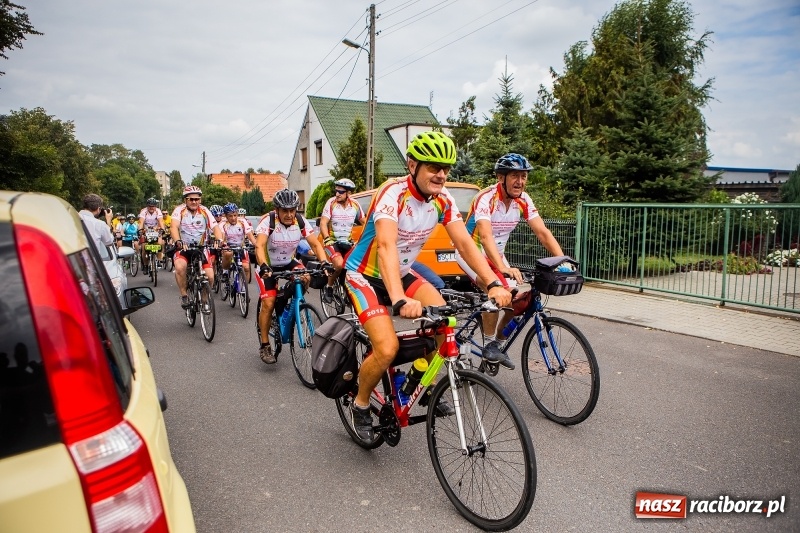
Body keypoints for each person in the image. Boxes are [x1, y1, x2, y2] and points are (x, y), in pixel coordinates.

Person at [344, 131, 512, 440]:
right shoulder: (393, 193)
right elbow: (385, 245)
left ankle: (426, 384)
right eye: (433, 166)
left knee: (444, 320)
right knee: (387, 347)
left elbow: (464, 243)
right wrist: (397, 298)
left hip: (403, 272)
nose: (441, 174)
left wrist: (492, 283)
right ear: (412, 165)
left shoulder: (443, 200)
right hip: (365, 275)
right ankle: (361, 403)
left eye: (446, 167)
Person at [455, 153, 564, 368]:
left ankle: (497, 343)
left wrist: (562, 262)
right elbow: (485, 237)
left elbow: (542, 232)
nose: (520, 181)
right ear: (500, 177)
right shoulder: (486, 198)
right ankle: (488, 348)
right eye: (515, 175)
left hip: (497, 255)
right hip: (473, 252)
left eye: (524, 176)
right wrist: (502, 268)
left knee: (518, 300)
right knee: (496, 291)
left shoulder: (523, 199)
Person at [254, 189, 327, 364]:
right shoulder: (269, 221)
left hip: (288, 261)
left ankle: (288, 306)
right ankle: (265, 345)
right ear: (277, 210)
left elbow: (315, 244)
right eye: (284, 210)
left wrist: (324, 262)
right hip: (268, 265)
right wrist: (264, 265)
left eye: (292, 210)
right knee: (269, 302)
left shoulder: (300, 221)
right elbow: (259, 245)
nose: (289, 214)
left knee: (306, 277)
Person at [171, 185, 224, 309]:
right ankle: (184, 296)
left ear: (200, 199)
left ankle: (204, 301)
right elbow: (174, 227)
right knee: (180, 267)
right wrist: (178, 240)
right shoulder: (179, 210)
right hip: (184, 247)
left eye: (197, 199)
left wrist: (219, 239)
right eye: (191, 199)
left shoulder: (205, 211)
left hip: (201, 248)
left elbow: (215, 228)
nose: (194, 202)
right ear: (186, 200)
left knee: (210, 276)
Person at [319, 178, 365, 303]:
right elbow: (323, 223)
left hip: (347, 242)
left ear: (348, 193)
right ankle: (329, 288)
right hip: (332, 242)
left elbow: (365, 223)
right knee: (338, 265)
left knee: (356, 267)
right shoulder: (331, 203)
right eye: (336, 191)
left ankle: (347, 290)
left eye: (341, 192)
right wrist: (326, 238)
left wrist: (362, 240)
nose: (337, 194)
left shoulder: (355, 205)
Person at [219, 202, 257, 283]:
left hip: (240, 246)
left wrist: (256, 245)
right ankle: (225, 272)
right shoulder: (223, 223)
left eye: (235, 215)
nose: (233, 218)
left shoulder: (242, 222)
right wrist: (222, 243)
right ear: (226, 216)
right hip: (228, 246)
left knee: (246, 268)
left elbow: (250, 236)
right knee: (228, 254)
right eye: (230, 216)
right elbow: (221, 237)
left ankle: (244, 289)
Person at [137, 197, 167, 271]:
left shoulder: (158, 211)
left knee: (160, 243)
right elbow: (141, 222)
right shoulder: (143, 211)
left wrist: (162, 229)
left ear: (155, 206)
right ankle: (146, 265)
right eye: (150, 206)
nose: (151, 207)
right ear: (147, 206)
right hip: (146, 230)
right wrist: (140, 230)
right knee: (144, 247)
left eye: (153, 206)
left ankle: (159, 259)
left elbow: (161, 221)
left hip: (155, 229)